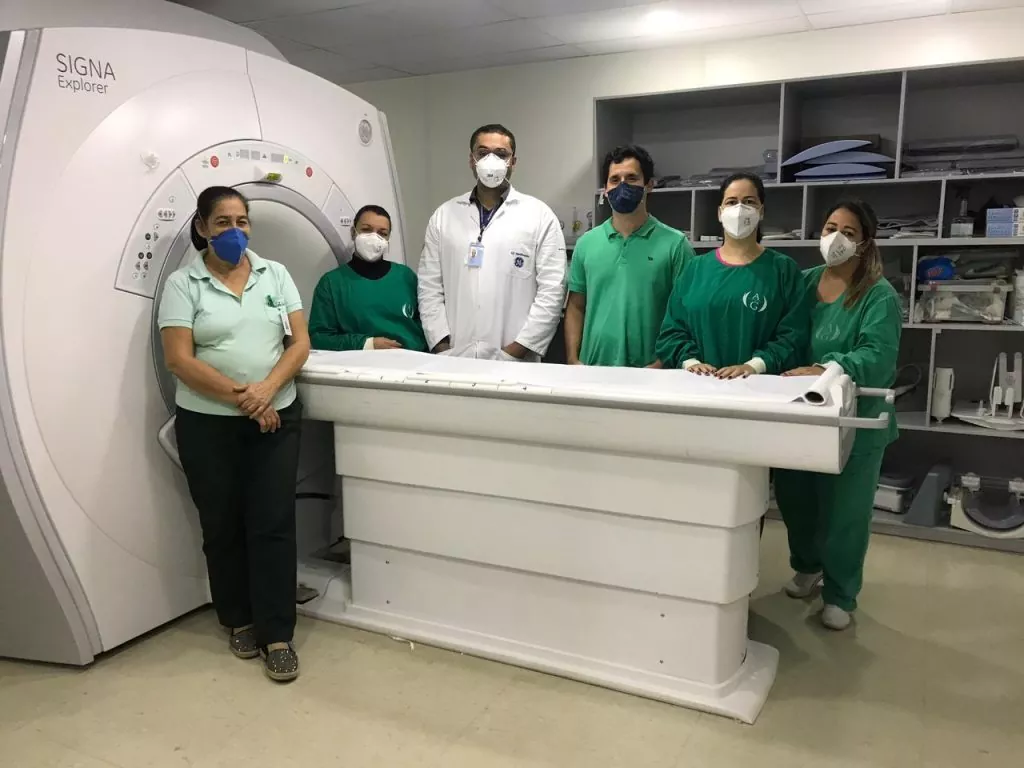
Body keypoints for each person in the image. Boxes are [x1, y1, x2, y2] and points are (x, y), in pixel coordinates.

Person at [158, 186, 310, 682]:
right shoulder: (184, 284)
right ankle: (238, 618)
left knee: (272, 523)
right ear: (202, 227)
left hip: (276, 416)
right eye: (222, 222)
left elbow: (299, 343)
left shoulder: (275, 274)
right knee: (222, 524)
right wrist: (246, 399)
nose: (234, 231)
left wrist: (267, 391)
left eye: (242, 221)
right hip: (207, 424)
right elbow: (179, 359)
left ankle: (277, 633)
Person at [774, 200, 901, 631]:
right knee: (796, 501)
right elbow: (783, 334)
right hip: (800, 414)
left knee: (844, 514)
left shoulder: (878, 296)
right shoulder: (804, 282)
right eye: (831, 228)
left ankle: (841, 594)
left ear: (864, 243)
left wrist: (826, 368)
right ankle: (807, 567)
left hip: (853, 422)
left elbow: (877, 356)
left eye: (849, 232)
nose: (837, 238)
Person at [417, 123, 566, 361]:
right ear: (471, 160)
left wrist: (515, 352)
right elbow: (429, 287)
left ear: (513, 162)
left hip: (516, 360)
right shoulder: (443, 216)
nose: (491, 160)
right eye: (483, 152)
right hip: (454, 357)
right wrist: (442, 347)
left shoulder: (539, 216)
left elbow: (552, 290)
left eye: (501, 154)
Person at [655, 172, 809, 379]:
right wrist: (691, 362)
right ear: (720, 212)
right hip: (700, 385)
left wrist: (755, 366)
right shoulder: (694, 270)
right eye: (731, 202)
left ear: (761, 211)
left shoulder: (783, 271)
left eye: (749, 202)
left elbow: (794, 335)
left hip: (760, 387)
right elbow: (671, 331)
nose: (739, 209)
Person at [565, 145, 694, 367]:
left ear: (649, 185)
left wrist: (662, 364)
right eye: (614, 180)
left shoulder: (676, 245)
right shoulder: (586, 244)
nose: (622, 186)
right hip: (592, 369)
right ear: (605, 189)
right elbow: (576, 306)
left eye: (632, 178)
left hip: (652, 373)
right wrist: (573, 359)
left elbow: (687, 314)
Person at [308, 204, 427, 352]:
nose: (374, 237)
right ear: (353, 232)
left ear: (388, 239)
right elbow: (320, 337)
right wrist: (367, 344)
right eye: (366, 230)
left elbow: (427, 323)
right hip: (363, 362)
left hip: (413, 358)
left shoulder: (405, 276)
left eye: (382, 233)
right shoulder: (331, 284)